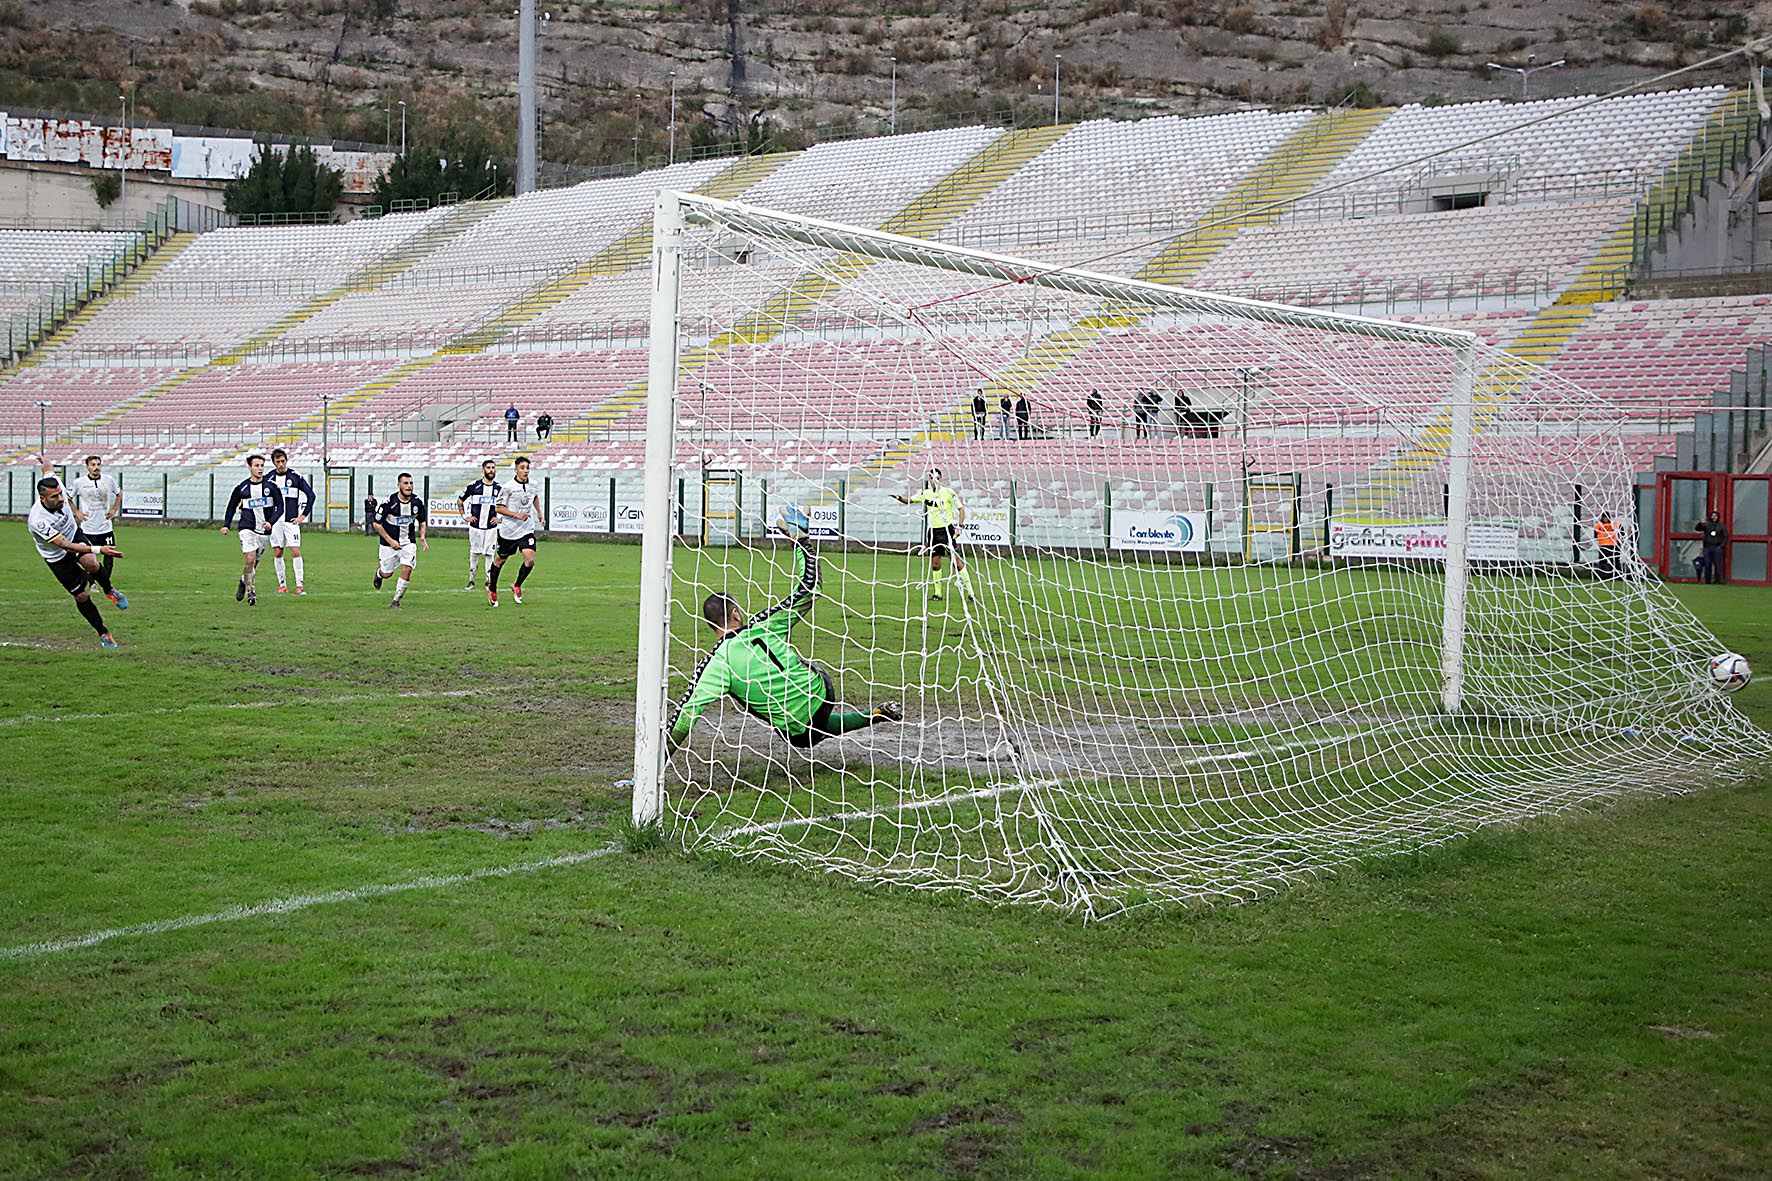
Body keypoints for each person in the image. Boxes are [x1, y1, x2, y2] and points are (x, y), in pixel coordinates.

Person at [668, 509, 902, 753]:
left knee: (802, 733)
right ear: (736, 613)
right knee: (815, 724)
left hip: (797, 727)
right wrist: (802, 542)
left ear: (711, 625)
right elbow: (810, 588)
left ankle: (871, 714)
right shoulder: (763, 623)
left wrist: (657, 763)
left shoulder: (716, 663)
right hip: (821, 690)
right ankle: (876, 713)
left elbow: (685, 717)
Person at [26, 462, 124, 648]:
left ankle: (109, 590)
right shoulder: (38, 520)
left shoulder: (56, 484)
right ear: (43, 499)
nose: (61, 499)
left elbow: (47, 468)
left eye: (60, 494)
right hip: (57, 556)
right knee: (81, 596)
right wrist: (99, 548)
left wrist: (44, 460)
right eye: (55, 497)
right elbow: (64, 546)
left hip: (74, 534)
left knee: (92, 564)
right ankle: (103, 631)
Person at [892, 467, 974, 602]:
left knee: (956, 562)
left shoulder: (949, 492)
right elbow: (909, 500)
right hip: (934, 532)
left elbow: (961, 509)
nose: (934, 480)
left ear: (941, 478)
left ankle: (971, 593)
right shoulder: (926, 493)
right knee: (935, 563)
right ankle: (938, 594)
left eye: (936, 477)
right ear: (929, 480)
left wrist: (959, 527)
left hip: (947, 530)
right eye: (931, 478)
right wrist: (898, 497)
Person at [61, 453, 127, 610]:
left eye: (98, 464)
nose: (96, 467)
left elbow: (119, 493)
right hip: (88, 527)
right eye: (93, 465)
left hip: (105, 526)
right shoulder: (79, 482)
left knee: (109, 556)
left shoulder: (108, 480)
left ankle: (107, 583)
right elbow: (68, 497)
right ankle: (92, 584)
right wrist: (77, 513)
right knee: (89, 558)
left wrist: (114, 509)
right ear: (87, 467)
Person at [220, 454, 283, 607]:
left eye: (262, 465)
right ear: (249, 467)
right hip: (246, 528)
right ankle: (251, 592)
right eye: (257, 465)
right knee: (249, 558)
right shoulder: (242, 488)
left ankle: (243, 581)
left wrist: (271, 522)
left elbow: (280, 507)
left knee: (253, 564)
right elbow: (231, 506)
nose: (260, 468)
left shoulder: (271, 487)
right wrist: (227, 524)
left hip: (264, 531)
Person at [487, 455, 542, 606]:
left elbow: (534, 496)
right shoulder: (508, 487)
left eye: (527, 468)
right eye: (522, 468)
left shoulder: (533, 484)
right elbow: (498, 508)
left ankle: (517, 585)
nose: (525, 471)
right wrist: (516, 515)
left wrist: (539, 513)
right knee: (500, 560)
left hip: (526, 529)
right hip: (508, 531)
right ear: (516, 469)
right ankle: (492, 588)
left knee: (530, 560)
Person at [373, 472, 428, 608]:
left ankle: (396, 600)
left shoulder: (417, 502)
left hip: (408, 542)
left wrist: (422, 536)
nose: (409, 486)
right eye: (405, 483)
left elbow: (422, 521)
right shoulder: (388, 502)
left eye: (411, 483)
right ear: (399, 485)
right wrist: (391, 541)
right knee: (387, 574)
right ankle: (379, 574)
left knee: (407, 568)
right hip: (388, 544)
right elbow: (376, 524)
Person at [267, 448, 316, 595]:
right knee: (277, 551)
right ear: (274, 463)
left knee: (295, 550)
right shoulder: (269, 478)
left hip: (291, 521)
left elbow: (311, 495)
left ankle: (299, 585)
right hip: (275, 522)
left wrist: (303, 516)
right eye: (278, 462)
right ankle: (282, 585)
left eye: (283, 461)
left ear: (286, 460)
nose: (281, 464)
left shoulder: (295, 476)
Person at [456, 458, 502, 591]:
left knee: (489, 554)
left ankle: (489, 581)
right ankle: (471, 580)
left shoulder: (499, 489)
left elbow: (506, 505)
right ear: (483, 470)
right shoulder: (474, 486)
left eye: (493, 468)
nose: (491, 470)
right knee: (474, 553)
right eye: (488, 468)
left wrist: (500, 518)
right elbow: (460, 500)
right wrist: (465, 516)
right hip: (475, 527)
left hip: (491, 528)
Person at [1695, 511, 1727, 584]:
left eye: (1715, 516)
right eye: (1712, 515)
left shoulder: (1721, 526)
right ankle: (1707, 581)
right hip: (1707, 547)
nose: (1714, 517)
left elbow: (1725, 537)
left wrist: (1721, 546)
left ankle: (1718, 580)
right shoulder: (1707, 525)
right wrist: (1700, 523)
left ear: (1718, 517)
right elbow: (1697, 529)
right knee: (1707, 564)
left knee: (1717, 564)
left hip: (1717, 547)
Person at [1594, 511, 1622, 578]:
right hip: (1603, 546)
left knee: (1615, 561)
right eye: (1604, 518)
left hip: (1613, 545)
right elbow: (1595, 535)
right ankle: (1604, 576)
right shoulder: (1599, 525)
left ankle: (1617, 575)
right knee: (1603, 561)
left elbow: (1621, 531)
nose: (1605, 519)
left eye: (1606, 517)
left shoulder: (1614, 524)